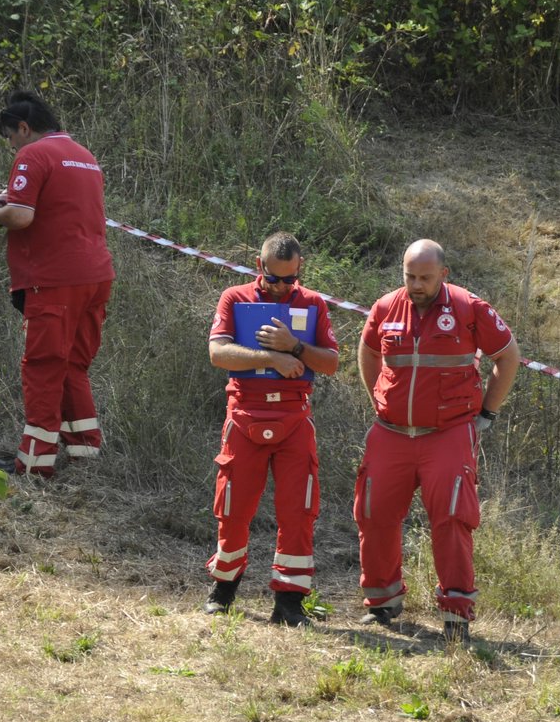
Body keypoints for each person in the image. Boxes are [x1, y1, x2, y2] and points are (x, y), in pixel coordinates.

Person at [354, 239, 521, 644]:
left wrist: (486, 413)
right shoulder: (385, 307)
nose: (416, 285)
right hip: (391, 432)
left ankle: (455, 614)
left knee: (451, 518)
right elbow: (367, 350)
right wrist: (379, 397)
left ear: (443, 275)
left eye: (425, 278)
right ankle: (382, 603)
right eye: (409, 276)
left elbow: (508, 356)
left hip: (447, 434)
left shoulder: (469, 308)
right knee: (373, 512)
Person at [203, 232, 340, 625]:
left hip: (295, 418)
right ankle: (224, 588)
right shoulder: (235, 297)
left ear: (300, 271)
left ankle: (289, 603)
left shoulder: (312, 304)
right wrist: (270, 357)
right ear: (258, 265)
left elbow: (330, 362)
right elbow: (217, 352)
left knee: (298, 510)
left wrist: (294, 346)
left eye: (289, 279)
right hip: (244, 413)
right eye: (273, 277)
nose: (281, 286)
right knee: (233, 507)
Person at [0, 90, 113, 477]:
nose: (10, 145)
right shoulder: (84, 155)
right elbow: (55, 204)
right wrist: (14, 199)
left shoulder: (33, 154)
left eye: (10, 136)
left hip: (55, 280)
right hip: (96, 275)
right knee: (73, 365)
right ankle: (85, 451)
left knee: (43, 367)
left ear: (24, 127)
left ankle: (34, 462)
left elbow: (20, 218)